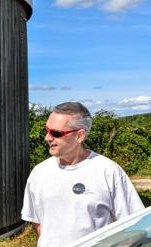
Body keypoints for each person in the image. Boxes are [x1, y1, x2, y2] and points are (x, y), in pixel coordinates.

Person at [21, 102, 145, 247]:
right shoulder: (39, 172)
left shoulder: (108, 171)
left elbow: (135, 224)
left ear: (80, 136)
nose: (47, 138)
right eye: (47, 130)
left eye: (56, 133)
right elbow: (37, 221)